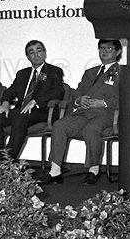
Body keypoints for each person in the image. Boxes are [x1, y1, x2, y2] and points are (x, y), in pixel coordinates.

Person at [41, 39, 121, 185]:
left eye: (109, 49)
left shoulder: (123, 72)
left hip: (106, 114)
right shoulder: (90, 72)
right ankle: (55, 171)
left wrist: (103, 103)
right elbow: (77, 92)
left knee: (91, 130)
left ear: (118, 52)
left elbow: (128, 98)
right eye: (101, 48)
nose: (104, 51)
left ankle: (93, 170)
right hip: (83, 113)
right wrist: (79, 100)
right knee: (60, 125)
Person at [0, 40, 64, 160]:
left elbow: (58, 92)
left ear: (45, 53)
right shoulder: (22, 74)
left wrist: (35, 101)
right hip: (21, 111)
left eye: (39, 51)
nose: (36, 55)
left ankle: (8, 159)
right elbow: (10, 91)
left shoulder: (54, 71)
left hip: (42, 112)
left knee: (21, 117)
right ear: (28, 57)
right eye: (32, 52)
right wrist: (5, 103)